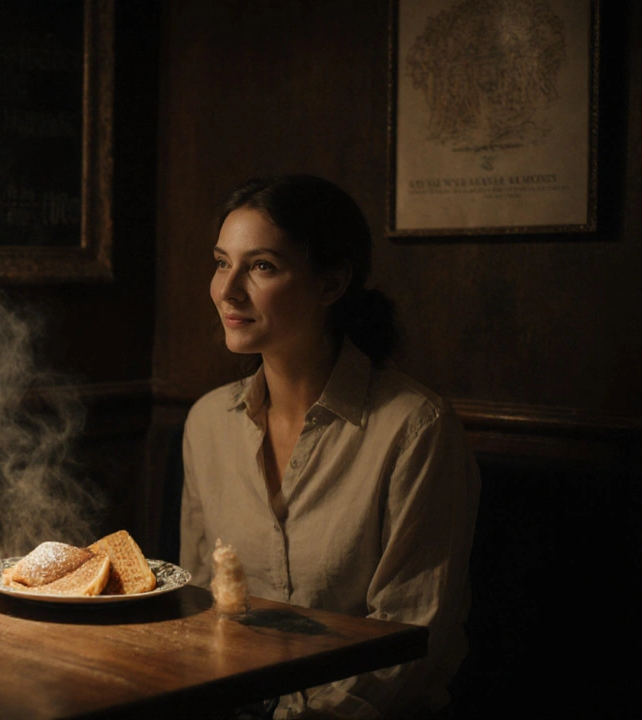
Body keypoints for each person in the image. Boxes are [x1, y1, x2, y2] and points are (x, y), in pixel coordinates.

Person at [180, 175, 479, 719]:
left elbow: (409, 640)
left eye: (262, 266)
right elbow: (203, 604)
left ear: (331, 283)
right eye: (222, 262)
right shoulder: (208, 424)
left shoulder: (414, 428)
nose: (227, 289)